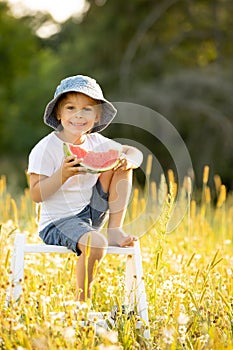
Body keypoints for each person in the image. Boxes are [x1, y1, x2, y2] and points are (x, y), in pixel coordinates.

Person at [28, 75, 143, 301]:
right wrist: (61, 175)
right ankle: (83, 305)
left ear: (97, 115)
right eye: (70, 108)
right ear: (59, 114)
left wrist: (130, 161)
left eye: (87, 109)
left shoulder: (97, 143)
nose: (78, 115)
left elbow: (134, 152)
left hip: (91, 214)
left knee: (121, 162)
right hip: (58, 221)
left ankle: (115, 230)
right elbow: (35, 195)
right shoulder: (45, 148)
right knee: (96, 243)